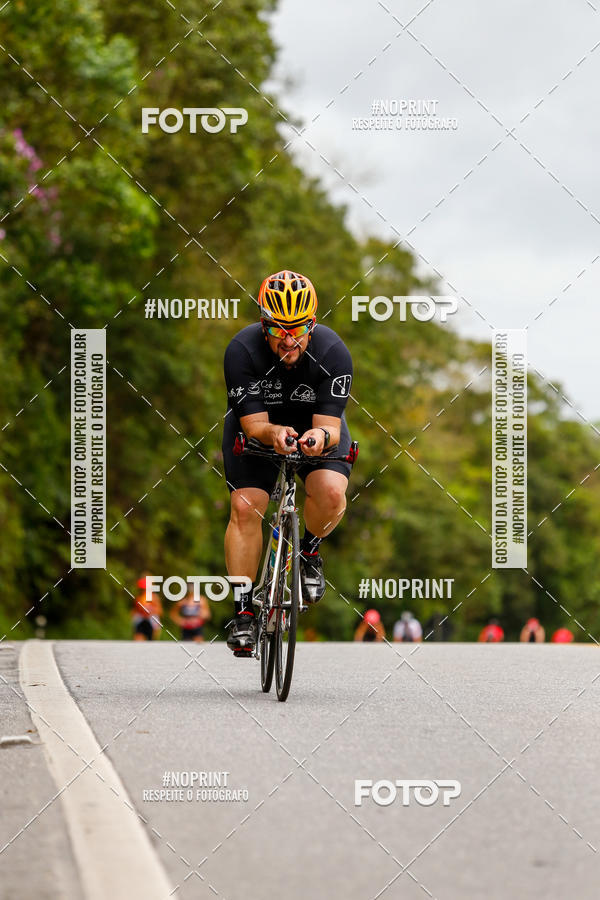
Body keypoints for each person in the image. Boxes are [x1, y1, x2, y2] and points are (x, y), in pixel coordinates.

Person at [222, 270, 354, 655]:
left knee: (330, 491)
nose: (289, 340)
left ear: (312, 324)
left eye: (298, 329)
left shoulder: (332, 353)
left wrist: (319, 438)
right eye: (279, 330)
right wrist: (274, 434)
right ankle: (244, 611)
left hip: (315, 426)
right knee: (245, 507)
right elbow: (253, 424)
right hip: (261, 427)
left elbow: (330, 427)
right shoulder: (242, 351)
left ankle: (309, 550)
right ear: (264, 325)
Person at [132, 574, 163, 641]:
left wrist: (151, 610)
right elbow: (135, 610)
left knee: (155, 622)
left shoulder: (154, 598)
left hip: (151, 619)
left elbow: (159, 611)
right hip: (141, 619)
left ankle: (154, 635)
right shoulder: (139, 598)